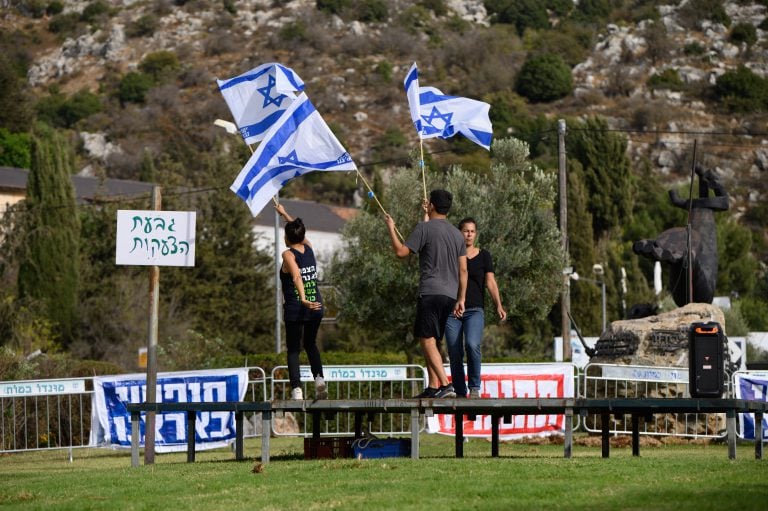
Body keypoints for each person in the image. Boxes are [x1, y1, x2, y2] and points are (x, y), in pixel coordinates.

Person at [384, 189, 467, 398]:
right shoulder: (457, 234)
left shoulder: (424, 228)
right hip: (449, 295)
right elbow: (463, 269)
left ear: (431, 205)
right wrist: (461, 298)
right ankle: (432, 387)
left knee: (426, 339)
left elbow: (400, 252)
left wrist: (391, 228)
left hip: (430, 292)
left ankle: (446, 385)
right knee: (433, 341)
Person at [444, 218, 507, 399]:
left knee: (472, 344)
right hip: (452, 311)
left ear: (476, 234)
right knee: (454, 351)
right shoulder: (451, 254)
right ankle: (460, 391)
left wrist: (498, 305)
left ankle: (474, 387)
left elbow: (491, 282)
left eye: (472, 231)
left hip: (475, 310)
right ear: (459, 233)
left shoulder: (484, 255)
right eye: (465, 231)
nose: (469, 234)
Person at [275, 203, 327, 401]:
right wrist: (285, 214)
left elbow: (296, 276)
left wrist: (303, 298)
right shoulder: (309, 248)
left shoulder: (287, 254)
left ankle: (297, 389)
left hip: (298, 307)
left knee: (294, 349)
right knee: (311, 344)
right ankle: (319, 380)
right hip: (316, 306)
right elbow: (299, 232)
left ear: (286, 237)